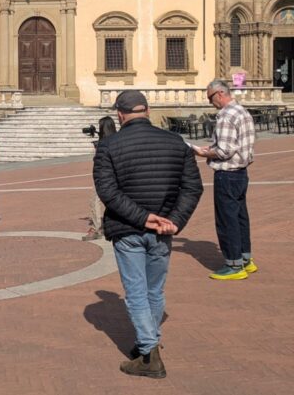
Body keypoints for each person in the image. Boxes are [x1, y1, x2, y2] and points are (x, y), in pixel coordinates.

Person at [93, 90, 203, 379]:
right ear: (148, 110)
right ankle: (147, 343)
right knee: (154, 290)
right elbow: (193, 187)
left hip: (128, 228)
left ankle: (149, 355)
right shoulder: (176, 142)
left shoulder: (108, 146)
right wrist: (174, 221)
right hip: (163, 229)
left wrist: (142, 218)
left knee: (136, 293)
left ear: (120, 114)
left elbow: (108, 192)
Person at [193, 79, 257, 280]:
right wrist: (213, 149)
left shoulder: (226, 116)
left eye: (210, 98)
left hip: (227, 174)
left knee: (226, 220)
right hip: (241, 172)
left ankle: (233, 264)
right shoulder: (242, 111)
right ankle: (245, 259)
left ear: (220, 94)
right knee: (240, 217)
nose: (210, 102)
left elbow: (225, 150)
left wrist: (204, 152)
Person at [83, 115, 117, 241]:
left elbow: (98, 161)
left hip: (103, 176)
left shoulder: (102, 144)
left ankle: (96, 228)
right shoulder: (118, 139)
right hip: (117, 175)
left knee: (95, 200)